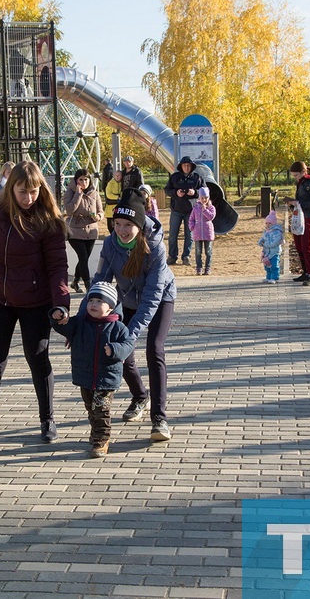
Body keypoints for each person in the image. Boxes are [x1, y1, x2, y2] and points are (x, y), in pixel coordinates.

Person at [0, 160, 70, 455]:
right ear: (11, 188)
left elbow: (58, 266)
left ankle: (47, 421)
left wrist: (61, 303)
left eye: (33, 192)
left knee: (37, 358)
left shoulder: (48, 219)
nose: (28, 198)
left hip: (36, 301)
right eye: (22, 191)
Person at [93, 188, 176, 442]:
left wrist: (132, 332)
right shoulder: (109, 244)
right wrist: (88, 315)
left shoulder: (155, 247)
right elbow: (101, 281)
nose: (121, 230)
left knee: (155, 350)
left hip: (161, 299)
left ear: (139, 224)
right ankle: (140, 396)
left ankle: (159, 418)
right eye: (117, 224)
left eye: (128, 224)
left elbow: (152, 295)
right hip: (127, 299)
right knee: (121, 353)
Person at [51, 281, 135, 458]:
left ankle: (101, 439)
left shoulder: (118, 327)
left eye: (99, 302)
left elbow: (128, 345)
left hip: (106, 378)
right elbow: (64, 326)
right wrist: (57, 316)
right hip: (85, 375)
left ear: (111, 307)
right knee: (91, 407)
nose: (94, 305)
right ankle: (96, 430)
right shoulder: (80, 322)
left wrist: (114, 350)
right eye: (91, 301)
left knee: (101, 409)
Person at [63, 169, 103, 294]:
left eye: (86, 179)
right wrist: (78, 194)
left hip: (91, 229)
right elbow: (69, 210)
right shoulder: (70, 192)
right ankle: (88, 285)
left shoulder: (94, 193)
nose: (84, 182)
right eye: (81, 179)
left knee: (83, 259)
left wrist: (98, 217)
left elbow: (101, 211)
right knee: (83, 257)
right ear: (76, 181)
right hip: (75, 230)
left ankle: (75, 281)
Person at [286, 161, 310, 285]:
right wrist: (293, 204)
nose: (295, 178)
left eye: (296, 175)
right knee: (299, 246)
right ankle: (305, 271)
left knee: (307, 247)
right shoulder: (301, 183)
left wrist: (298, 204)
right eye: (293, 176)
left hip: (308, 218)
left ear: (304, 172)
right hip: (299, 217)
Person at [164, 156, 204, 266]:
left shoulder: (197, 177)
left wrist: (195, 193)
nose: (186, 167)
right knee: (173, 234)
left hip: (191, 211)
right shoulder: (175, 177)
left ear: (191, 166)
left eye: (188, 165)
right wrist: (176, 193)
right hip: (176, 209)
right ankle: (172, 256)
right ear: (181, 166)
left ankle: (186, 256)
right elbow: (167, 190)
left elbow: (204, 190)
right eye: (184, 165)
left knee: (189, 235)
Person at [187, 186, 216, 275]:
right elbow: (191, 218)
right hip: (197, 233)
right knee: (198, 251)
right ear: (199, 198)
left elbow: (211, 217)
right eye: (202, 198)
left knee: (208, 251)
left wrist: (205, 210)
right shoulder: (195, 208)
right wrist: (192, 227)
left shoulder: (211, 207)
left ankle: (207, 268)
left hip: (208, 233)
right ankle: (199, 268)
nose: (204, 200)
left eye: (206, 198)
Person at [258, 210, 284, 284]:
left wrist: (265, 244)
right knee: (267, 265)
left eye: (270, 223)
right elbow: (263, 238)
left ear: (274, 223)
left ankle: (274, 277)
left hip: (274, 252)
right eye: (266, 223)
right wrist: (260, 242)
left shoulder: (277, 232)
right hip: (267, 252)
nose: (268, 225)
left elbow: (275, 242)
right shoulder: (266, 231)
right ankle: (268, 277)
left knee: (274, 265)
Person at [103, 169, 123, 234]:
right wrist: (117, 197)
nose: (117, 177)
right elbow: (108, 195)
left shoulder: (122, 184)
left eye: (119, 175)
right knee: (111, 227)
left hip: (119, 209)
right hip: (110, 209)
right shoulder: (110, 183)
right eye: (116, 175)